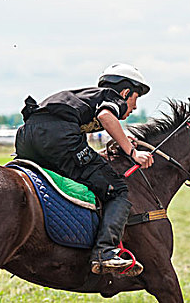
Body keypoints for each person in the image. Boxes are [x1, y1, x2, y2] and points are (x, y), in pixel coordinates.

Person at [15, 63, 153, 276]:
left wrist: (118, 142)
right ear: (125, 92)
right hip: (56, 136)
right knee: (117, 190)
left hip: (26, 137)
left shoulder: (84, 98)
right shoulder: (110, 96)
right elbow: (107, 116)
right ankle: (105, 252)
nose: (134, 107)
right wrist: (132, 153)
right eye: (135, 98)